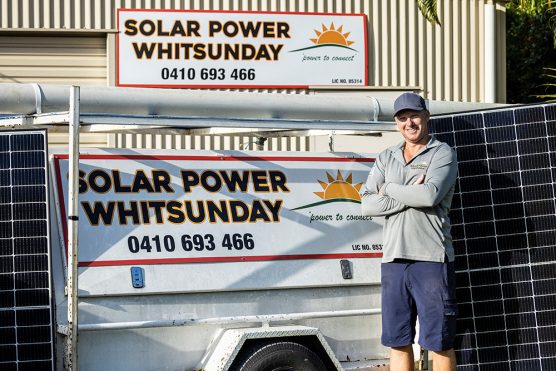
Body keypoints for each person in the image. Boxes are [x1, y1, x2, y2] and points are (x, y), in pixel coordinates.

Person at [361, 92, 458, 371]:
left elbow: (429, 196)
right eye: (402, 118)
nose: (409, 123)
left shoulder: (442, 153)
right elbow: (367, 204)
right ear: (396, 123)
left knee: (439, 342)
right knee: (398, 341)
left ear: (426, 116)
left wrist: (388, 189)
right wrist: (410, 192)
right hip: (393, 261)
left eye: (414, 116)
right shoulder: (386, 156)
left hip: (431, 259)